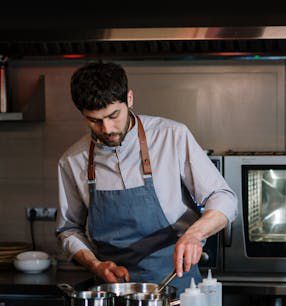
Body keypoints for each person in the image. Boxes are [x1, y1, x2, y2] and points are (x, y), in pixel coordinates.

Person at [56, 62, 237, 290]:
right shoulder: (72, 161)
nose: (107, 128)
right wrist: (95, 265)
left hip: (177, 283)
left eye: (114, 115)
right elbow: (68, 229)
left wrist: (194, 234)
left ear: (129, 99)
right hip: (113, 292)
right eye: (95, 120)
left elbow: (224, 197)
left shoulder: (171, 136)